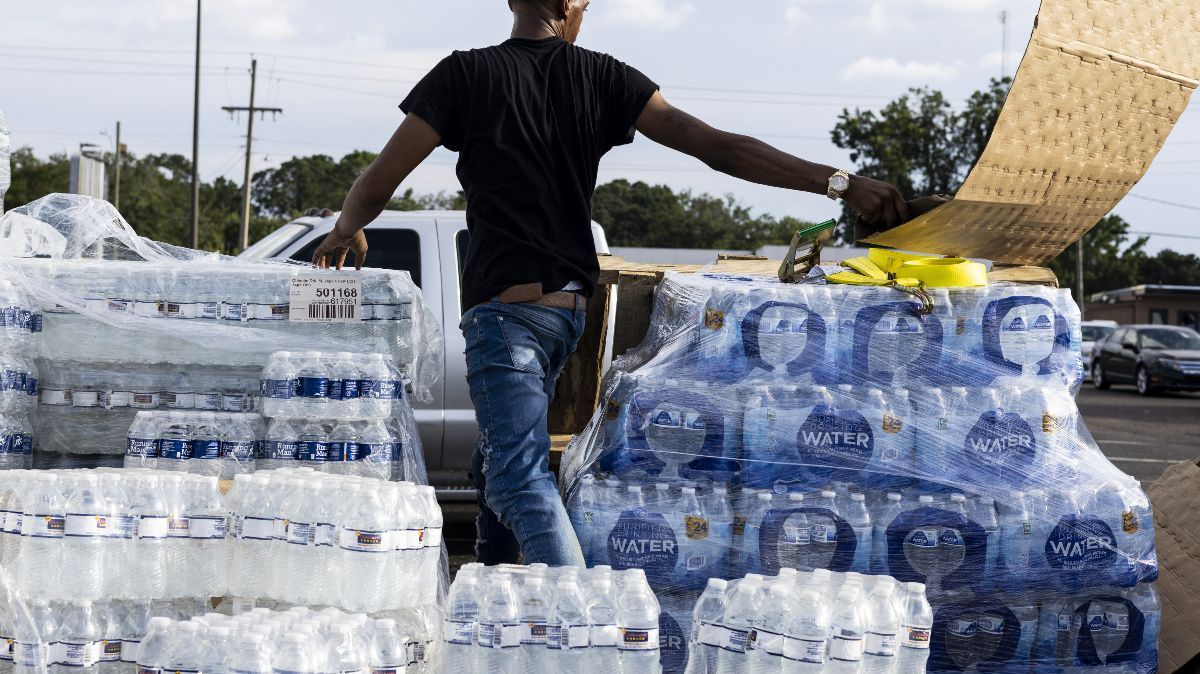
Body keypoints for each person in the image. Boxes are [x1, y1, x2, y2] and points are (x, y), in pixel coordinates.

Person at [312, 0, 932, 567]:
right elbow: (722, 149)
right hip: (566, 315)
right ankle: (497, 599)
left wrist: (347, 228)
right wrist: (843, 184)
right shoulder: (604, 76)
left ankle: (584, 626)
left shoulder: (462, 75)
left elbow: (379, 180)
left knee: (515, 476)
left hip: (506, 313)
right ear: (566, 7)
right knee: (495, 461)